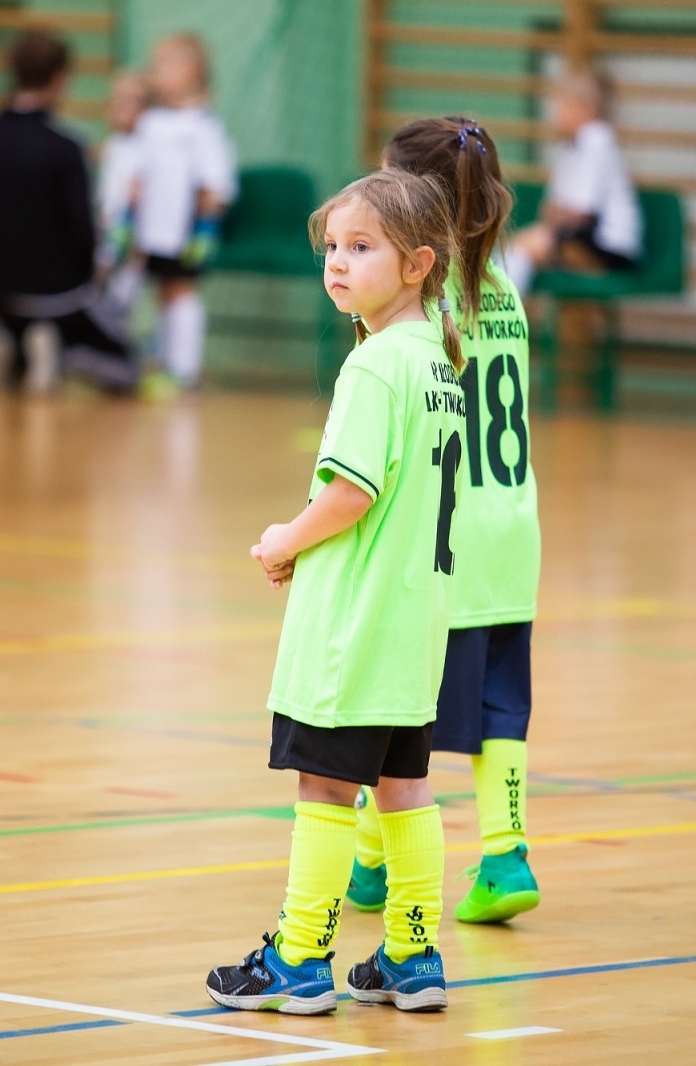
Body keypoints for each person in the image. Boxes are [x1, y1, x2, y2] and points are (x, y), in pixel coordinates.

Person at [205, 169, 466, 1015]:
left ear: (420, 263)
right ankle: (411, 952)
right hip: (415, 625)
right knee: (404, 788)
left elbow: (353, 494)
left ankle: (302, 956)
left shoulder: (377, 365)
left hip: (353, 624)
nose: (339, 265)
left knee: (323, 786)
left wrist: (286, 537)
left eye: (362, 249)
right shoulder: (438, 360)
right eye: (332, 249)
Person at [347, 118, 543, 925]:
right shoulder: (502, 288)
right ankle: (506, 854)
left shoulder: (419, 310)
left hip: (446, 536)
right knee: (501, 709)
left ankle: (372, 862)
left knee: (403, 710)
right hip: (515, 534)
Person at [0, 30, 134, 393]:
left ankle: (6, 338)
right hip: (59, 293)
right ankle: (59, 349)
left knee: (10, 312)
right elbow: (82, 228)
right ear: (59, 79)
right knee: (126, 369)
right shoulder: (67, 146)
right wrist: (94, 267)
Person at [132, 33, 237, 389]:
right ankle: (166, 361)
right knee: (163, 292)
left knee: (182, 291)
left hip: (186, 231)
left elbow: (216, 185)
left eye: (163, 65)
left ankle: (186, 370)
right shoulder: (152, 123)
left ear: (191, 71)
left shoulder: (203, 127)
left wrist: (204, 227)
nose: (154, 74)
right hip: (153, 231)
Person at [504, 69, 641, 297]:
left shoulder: (597, 140)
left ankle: (501, 309)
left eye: (562, 106)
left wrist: (553, 221)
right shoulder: (571, 146)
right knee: (521, 247)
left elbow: (581, 213)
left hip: (611, 248)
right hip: (582, 237)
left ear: (583, 108)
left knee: (528, 246)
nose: (555, 113)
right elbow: (552, 210)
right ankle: (500, 308)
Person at [96, 69, 150, 306]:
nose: (124, 106)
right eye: (119, 99)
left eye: (133, 100)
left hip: (134, 238)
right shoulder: (113, 146)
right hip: (108, 231)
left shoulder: (149, 147)